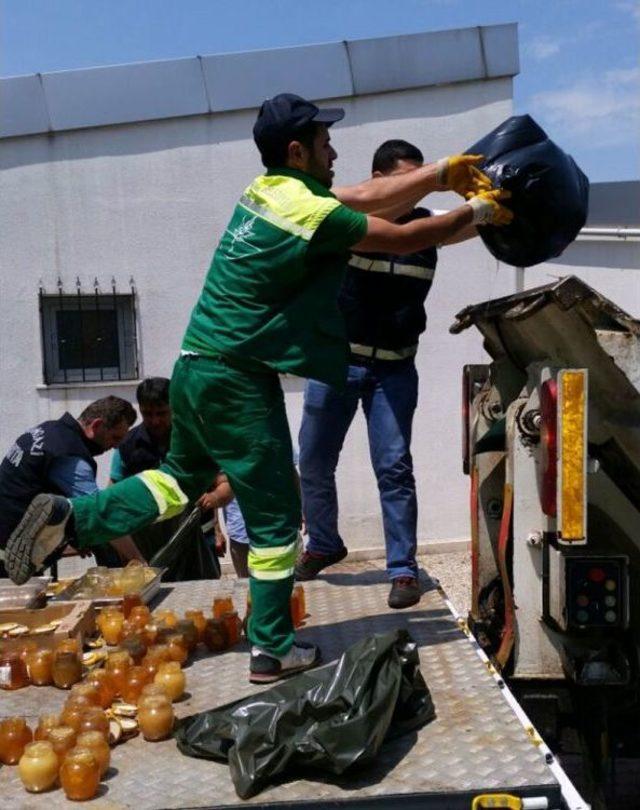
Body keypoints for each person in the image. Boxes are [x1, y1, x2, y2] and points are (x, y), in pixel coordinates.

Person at [4, 93, 511, 684]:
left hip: (196, 366)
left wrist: (440, 174)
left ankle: (71, 519)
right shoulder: (309, 211)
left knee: (179, 481)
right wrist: (480, 213)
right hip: (238, 378)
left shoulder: (270, 192)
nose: (335, 153)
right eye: (326, 145)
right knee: (273, 521)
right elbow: (397, 236)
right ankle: (272, 649)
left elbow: (369, 195)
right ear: (298, 151)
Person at [296, 140, 477, 608]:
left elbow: (470, 225)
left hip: (395, 368)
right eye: (405, 180)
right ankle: (323, 543)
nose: (414, 191)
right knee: (313, 461)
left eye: (421, 180)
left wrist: (495, 206)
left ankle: (402, 570)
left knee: (394, 468)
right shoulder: (348, 225)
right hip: (337, 363)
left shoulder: (427, 226)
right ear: (378, 182)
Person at [0, 397, 138, 577]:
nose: (116, 446)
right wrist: (139, 561)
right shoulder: (70, 455)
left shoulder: (47, 430)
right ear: (96, 426)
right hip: (11, 555)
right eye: (115, 437)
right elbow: (101, 515)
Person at [109, 377, 233, 567]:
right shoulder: (127, 445)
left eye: (161, 413)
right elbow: (113, 495)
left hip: (198, 540)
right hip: (148, 546)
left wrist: (214, 498)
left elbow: (225, 484)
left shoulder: (196, 440)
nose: (155, 420)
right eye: (147, 414)